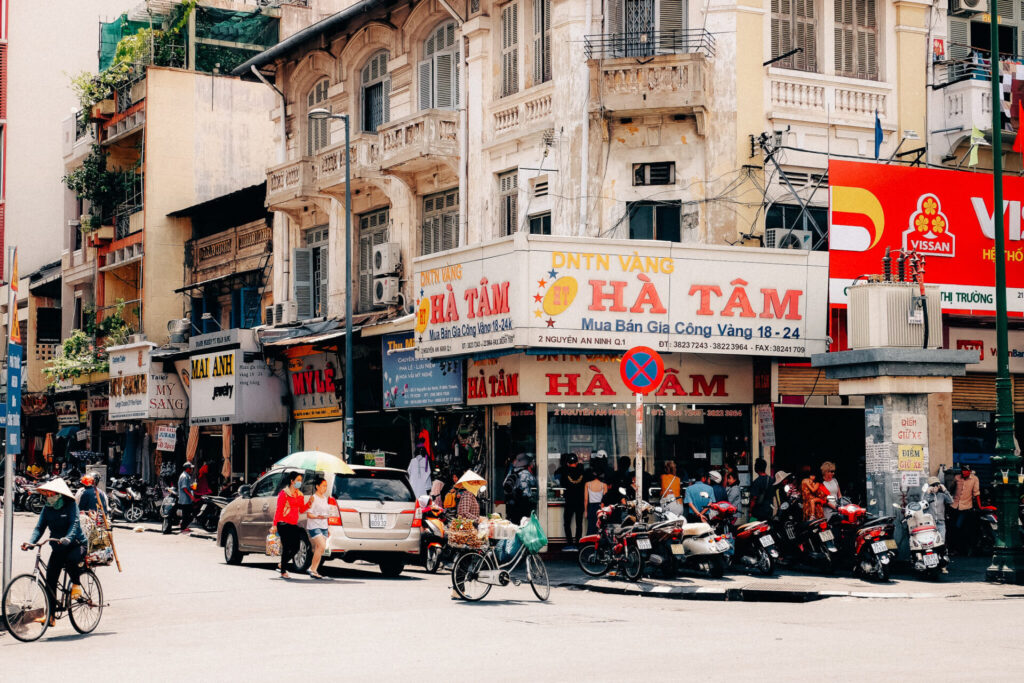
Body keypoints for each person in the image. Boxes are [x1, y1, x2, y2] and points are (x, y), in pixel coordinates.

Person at [22, 478, 87, 626]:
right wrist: (31, 543)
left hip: (76, 545)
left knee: (71, 561)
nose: (49, 497)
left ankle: (76, 584)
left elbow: (74, 524)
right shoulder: (47, 508)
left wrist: (68, 538)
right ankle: (50, 616)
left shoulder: (71, 505)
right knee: (50, 579)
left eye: (51, 494)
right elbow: (39, 527)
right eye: (47, 494)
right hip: (57, 547)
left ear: (59, 494)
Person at [270, 471, 310, 578]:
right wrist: (274, 525)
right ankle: (283, 571)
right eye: (298, 480)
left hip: (293, 523)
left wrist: (309, 503)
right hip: (283, 523)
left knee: (296, 547)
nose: (300, 483)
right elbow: (278, 510)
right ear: (292, 481)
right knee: (287, 546)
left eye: (301, 481)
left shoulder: (300, 495)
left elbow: (301, 509)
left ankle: (282, 564)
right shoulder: (284, 493)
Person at [305, 476, 332, 579]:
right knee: (322, 546)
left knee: (319, 549)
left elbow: (326, 514)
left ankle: (313, 569)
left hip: (324, 526)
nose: (325, 488)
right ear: (317, 486)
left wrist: (328, 528)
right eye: (323, 486)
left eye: (326, 486)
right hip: (314, 526)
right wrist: (318, 516)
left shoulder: (325, 498)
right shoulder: (313, 498)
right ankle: (312, 569)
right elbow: (309, 514)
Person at [950, 464, 981, 555]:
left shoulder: (974, 479)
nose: (964, 472)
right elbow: (951, 489)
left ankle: (964, 549)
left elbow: (976, 493)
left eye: (966, 471)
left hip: (966, 507)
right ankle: (955, 549)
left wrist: (980, 506)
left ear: (970, 471)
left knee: (962, 528)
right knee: (953, 528)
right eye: (963, 471)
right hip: (954, 506)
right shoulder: (957, 477)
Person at [558, 454, 585, 550]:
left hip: (569, 501)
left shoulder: (565, 472)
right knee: (579, 524)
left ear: (568, 463)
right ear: (577, 463)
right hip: (580, 501)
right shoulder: (583, 472)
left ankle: (570, 543)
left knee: (567, 523)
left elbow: (561, 483)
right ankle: (578, 543)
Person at [505, 453, 538, 524]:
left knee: (515, 521)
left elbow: (504, 483)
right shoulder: (526, 473)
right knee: (524, 522)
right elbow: (534, 482)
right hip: (524, 501)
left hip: (513, 501)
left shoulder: (511, 472)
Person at [922, 476, 953, 543]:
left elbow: (950, 501)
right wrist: (927, 493)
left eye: (937, 485)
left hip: (941, 522)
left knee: (941, 541)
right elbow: (923, 505)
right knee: (931, 542)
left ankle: (941, 553)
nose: (935, 487)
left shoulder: (942, 495)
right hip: (930, 523)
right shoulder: (926, 495)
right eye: (933, 485)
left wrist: (945, 490)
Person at [176, 461, 199, 533]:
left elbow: (187, 487)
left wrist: (191, 487)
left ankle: (183, 525)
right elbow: (184, 488)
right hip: (185, 499)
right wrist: (191, 496)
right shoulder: (185, 476)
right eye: (191, 468)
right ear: (187, 469)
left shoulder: (185, 475)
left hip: (185, 499)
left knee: (186, 513)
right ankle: (183, 527)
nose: (192, 470)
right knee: (188, 513)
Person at [584, 469, 608, 535]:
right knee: (599, 527)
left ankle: (589, 543)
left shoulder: (587, 484)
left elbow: (586, 499)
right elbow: (605, 500)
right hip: (600, 507)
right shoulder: (604, 485)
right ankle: (599, 543)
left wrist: (586, 511)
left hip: (591, 507)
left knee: (590, 527)